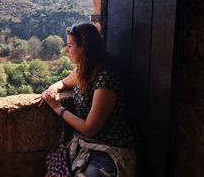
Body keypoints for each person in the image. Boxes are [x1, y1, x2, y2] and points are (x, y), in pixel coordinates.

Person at [38, 23, 136, 177]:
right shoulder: (84, 71)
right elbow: (63, 83)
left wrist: (58, 108)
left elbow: (90, 128)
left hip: (108, 150)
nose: (66, 50)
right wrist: (53, 89)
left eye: (70, 46)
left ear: (84, 47)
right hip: (87, 146)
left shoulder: (105, 79)